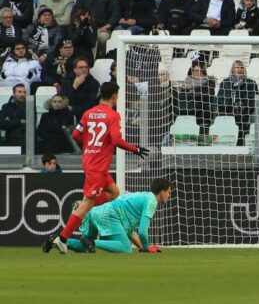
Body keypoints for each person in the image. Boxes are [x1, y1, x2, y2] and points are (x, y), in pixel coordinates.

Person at [43, 82, 149, 254]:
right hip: (98, 166)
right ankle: (62, 238)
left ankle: (85, 203)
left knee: (114, 192)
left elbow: (76, 134)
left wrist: (90, 146)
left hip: (90, 162)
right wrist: (135, 149)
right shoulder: (113, 115)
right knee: (88, 203)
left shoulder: (88, 113)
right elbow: (116, 140)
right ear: (115, 96)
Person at [58, 179, 172, 254]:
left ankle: (58, 240)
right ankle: (91, 241)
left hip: (97, 211)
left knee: (85, 247)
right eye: (168, 192)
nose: (169, 195)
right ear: (161, 192)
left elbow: (130, 231)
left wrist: (141, 246)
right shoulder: (152, 201)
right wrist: (148, 247)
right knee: (126, 248)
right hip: (110, 213)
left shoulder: (144, 197)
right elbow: (142, 231)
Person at [215, 60, 258, 145]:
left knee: (242, 116)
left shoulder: (251, 83)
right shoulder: (225, 82)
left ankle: (241, 144)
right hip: (227, 109)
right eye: (237, 67)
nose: (239, 69)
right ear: (233, 69)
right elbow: (220, 99)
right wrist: (230, 105)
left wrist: (244, 104)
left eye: (241, 67)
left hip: (244, 110)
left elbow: (254, 99)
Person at [0, 83, 27, 149]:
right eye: (19, 92)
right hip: (10, 141)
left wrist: (11, 121)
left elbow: (30, 123)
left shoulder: (29, 107)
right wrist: (20, 121)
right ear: (14, 94)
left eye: (24, 92)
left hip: (26, 141)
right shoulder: (6, 106)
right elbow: (2, 124)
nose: (22, 94)